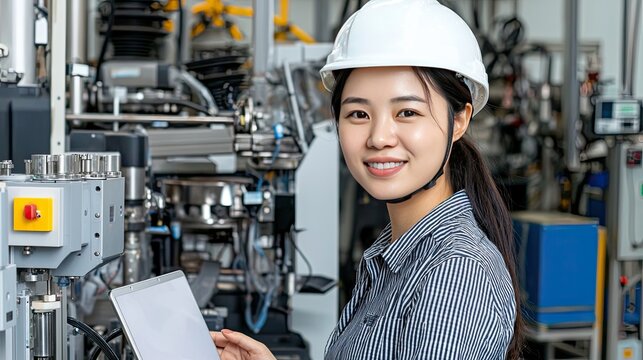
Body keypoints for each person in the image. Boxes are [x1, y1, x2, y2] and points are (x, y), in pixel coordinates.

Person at [212, 0, 523, 358]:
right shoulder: (393, 254)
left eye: (407, 112)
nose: (379, 137)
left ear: (461, 119)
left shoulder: (455, 275)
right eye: (358, 113)